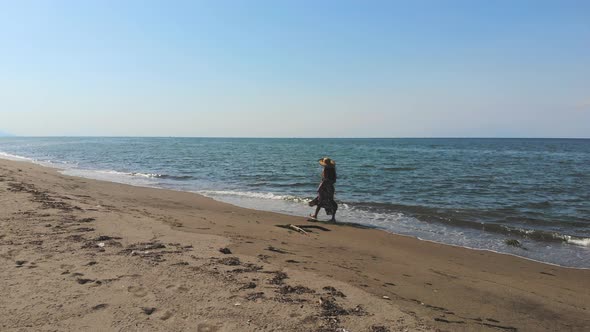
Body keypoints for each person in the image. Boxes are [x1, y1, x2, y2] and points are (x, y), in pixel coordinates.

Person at [309, 157, 338, 222]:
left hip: (324, 187)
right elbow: (334, 181)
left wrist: (319, 188)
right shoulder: (333, 170)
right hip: (331, 188)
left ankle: (315, 215)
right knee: (331, 201)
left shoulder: (326, 170)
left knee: (320, 201)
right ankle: (333, 218)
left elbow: (324, 180)